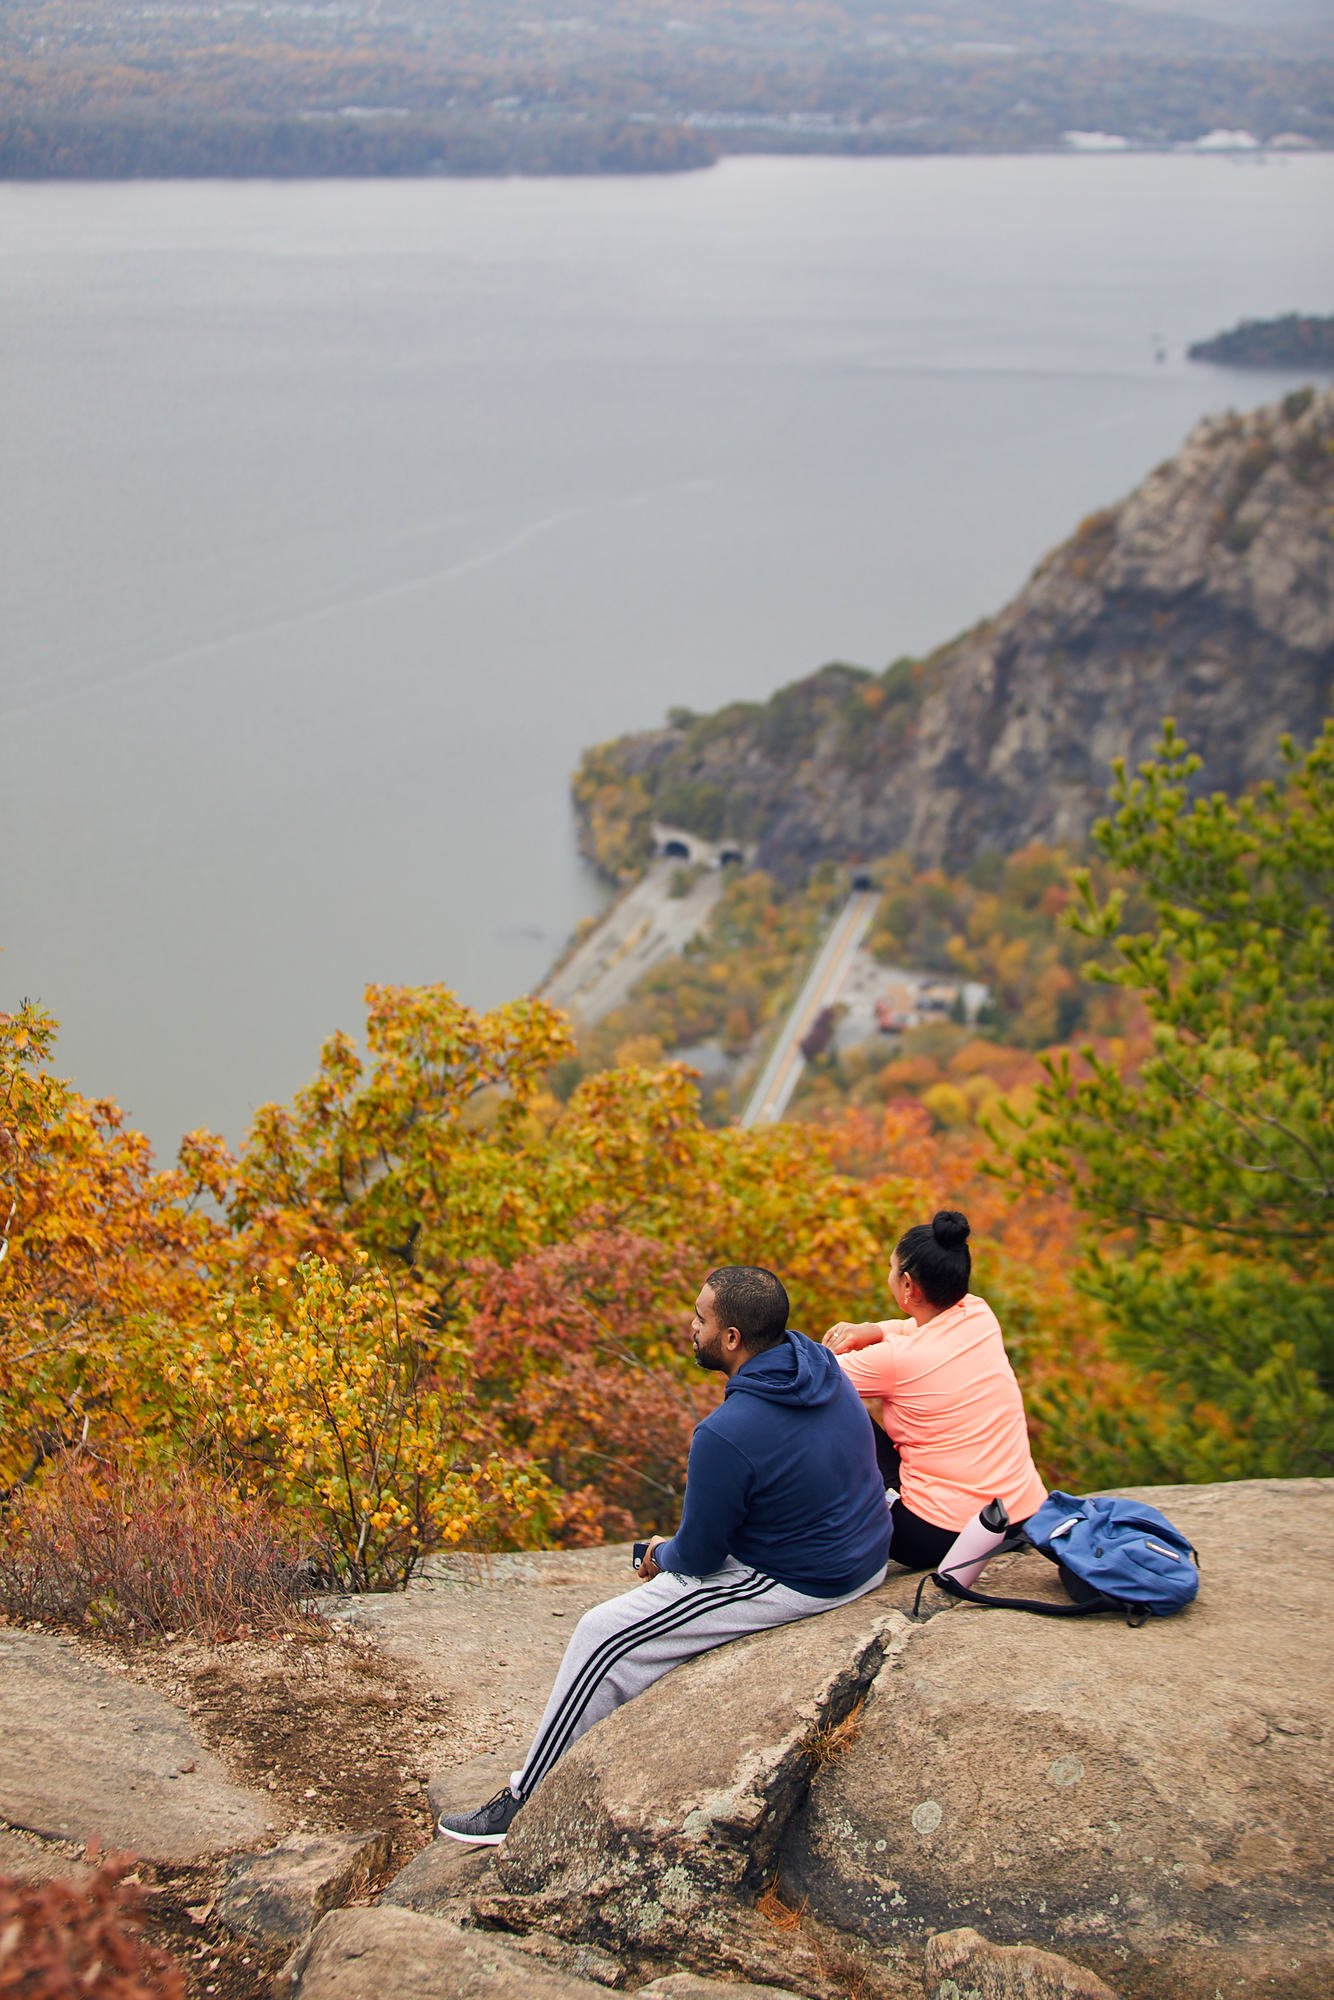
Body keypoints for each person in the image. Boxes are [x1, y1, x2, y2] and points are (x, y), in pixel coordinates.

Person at [437, 1263, 892, 1846]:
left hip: (809, 1576)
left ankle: (525, 1799)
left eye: (701, 1319)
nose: (690, 1326)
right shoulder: (818, 1363)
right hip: (867, 1546)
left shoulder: (726, 1433)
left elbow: (699, 1557)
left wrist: (659, 1553)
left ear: (731, 1339)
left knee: (602, 1633)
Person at [823, 1210, 1046, 1573]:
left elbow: (807, 1379)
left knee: (827, 1408)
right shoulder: (979, 1314)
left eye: (892, 1269)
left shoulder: (896, 1360)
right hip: (1022, 1517)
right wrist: (873, 1329)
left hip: (939, 1537)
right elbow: (915, 1327)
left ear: (908, 1285)